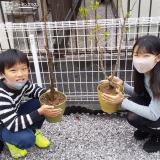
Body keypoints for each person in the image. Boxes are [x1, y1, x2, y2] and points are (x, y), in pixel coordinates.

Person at [101, 35, 160, 153]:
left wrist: (122, 101)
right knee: (134, 101)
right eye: (137, 55)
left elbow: (154, 114)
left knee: (133, 116)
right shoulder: (147, 72)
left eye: (146, 56)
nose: (140, 59)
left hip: (156, 112)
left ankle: (157, 134)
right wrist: (122, 85)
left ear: (158, 58)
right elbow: (142, 94)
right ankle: (151, 129)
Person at [0, 49, 62, 159]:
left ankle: (34, 130)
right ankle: (10, 141)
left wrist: (48, 94)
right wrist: (39, 112)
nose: (20, 74)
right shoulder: (2, 95)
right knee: (27, 139)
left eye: (24, 69)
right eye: (13, 70)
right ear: (1, 74)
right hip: (4, 125)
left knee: (42, 101)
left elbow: (34, 91)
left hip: (15, 113)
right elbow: (12, 124)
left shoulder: (22, 82)